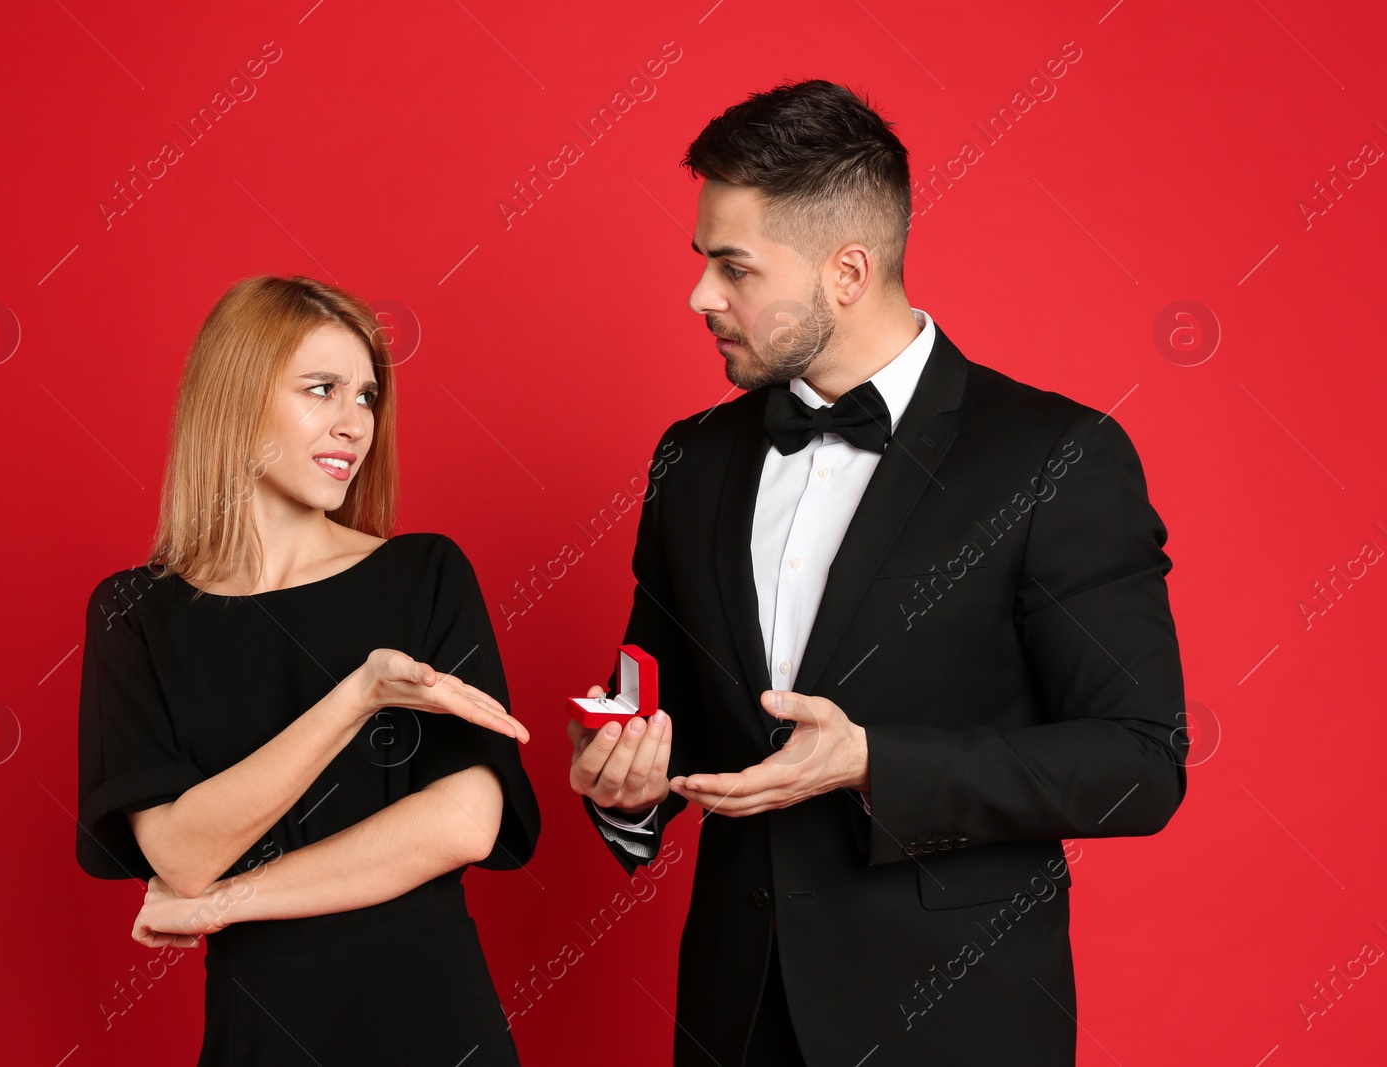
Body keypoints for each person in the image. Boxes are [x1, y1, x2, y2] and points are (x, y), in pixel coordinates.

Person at [566, 80, 1188, 1066]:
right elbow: (658, 707)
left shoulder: (1056, 456)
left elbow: (1139, 764)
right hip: (734, 1016)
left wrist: (870, 761)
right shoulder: (691, 459)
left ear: (847, 270)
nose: (699, 296)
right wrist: (625, 783)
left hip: (955, 1021)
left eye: (733, 267)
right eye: (702, 263)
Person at [75, 275, 541, 1066]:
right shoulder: (134, 612)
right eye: (321, 390)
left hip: (433, 1019)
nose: (353, 423)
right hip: (262, 1030)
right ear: (235, 397)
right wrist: (354, 697)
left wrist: (225, 902)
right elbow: (182, 854)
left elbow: (463, 821)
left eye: (366, 397)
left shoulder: (423, 573)